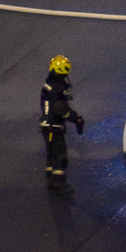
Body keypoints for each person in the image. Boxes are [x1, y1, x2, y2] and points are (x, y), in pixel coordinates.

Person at [40, 54, 84, 196]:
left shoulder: (49, 84)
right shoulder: (58, 88)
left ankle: (51, 180)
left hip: (47, 125)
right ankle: (59, 183)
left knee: (51, 153)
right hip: (54, 126)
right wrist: (75, 118)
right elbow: (60, 109)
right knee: (60, 155)